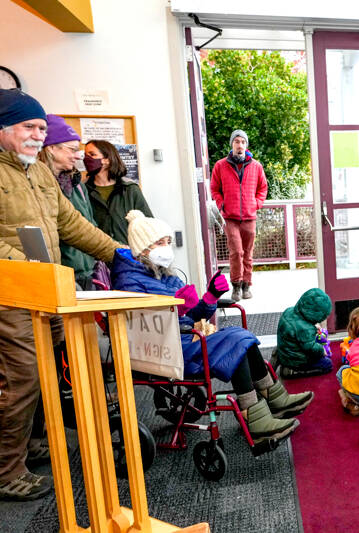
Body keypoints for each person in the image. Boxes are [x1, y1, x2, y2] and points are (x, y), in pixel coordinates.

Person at [0, 88, 121, 500]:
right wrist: (29, 270)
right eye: (29, 126)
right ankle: (2, 472)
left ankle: (32, 442)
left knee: (52, 371)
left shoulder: (37, 170)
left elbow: (70, 222)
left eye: (42, 128)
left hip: (46, 293)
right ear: (0, 127)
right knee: (21, 378)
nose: (38, 135)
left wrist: (118, 253)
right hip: (5, 299)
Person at [111, 210, 313, 448]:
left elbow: (195, 314)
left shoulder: (165, 275)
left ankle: (272, 399)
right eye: (159, 243)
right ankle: (256, 416)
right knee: (236, 342)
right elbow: (142, 323)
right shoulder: (128, 281)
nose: (166, 248)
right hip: (167, 346)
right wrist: (175, 309)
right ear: (143, 249)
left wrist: (210, 296)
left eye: (167, 242)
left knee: (242, 338)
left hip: (185, 337)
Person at [38, 114, 97, 289]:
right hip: (59, 277)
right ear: (51, 149)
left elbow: (90, 225)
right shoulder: (36, 185)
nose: (78, 156)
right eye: (72, 149)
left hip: (88, 275)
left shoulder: (77, 184)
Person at [210, 129, 268, 301]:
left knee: (248, 253)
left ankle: (246, 285)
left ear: (246, 145)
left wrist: (256, 204)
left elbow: (263, 188)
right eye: (237, 142)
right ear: (232, 145)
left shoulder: (256, 166)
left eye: (243, 142)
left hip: (250, 217)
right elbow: (214, 189)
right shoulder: (220, 165)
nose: (240, 145)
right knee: (236, 252)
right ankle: (236, 285)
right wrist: (222, 205)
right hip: (230, 217)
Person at [84, 139, 153, 245]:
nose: (87, 159)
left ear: (107, 160)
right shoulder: (83, 190)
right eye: (85, 155)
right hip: (96, 256)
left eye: (92, 154)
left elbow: (148, 225)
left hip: (128, 254)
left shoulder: (130, 189)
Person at [275, 288, 333, 378]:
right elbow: (310, 348)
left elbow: (297, 326)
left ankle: (279, 358)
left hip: (285, 350)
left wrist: (313, 327)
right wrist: (322, 350)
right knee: (327, 364)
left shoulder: (289, 311)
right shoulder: (305, 329)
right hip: (296, 360)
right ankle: (292, 371)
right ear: (316, 315)